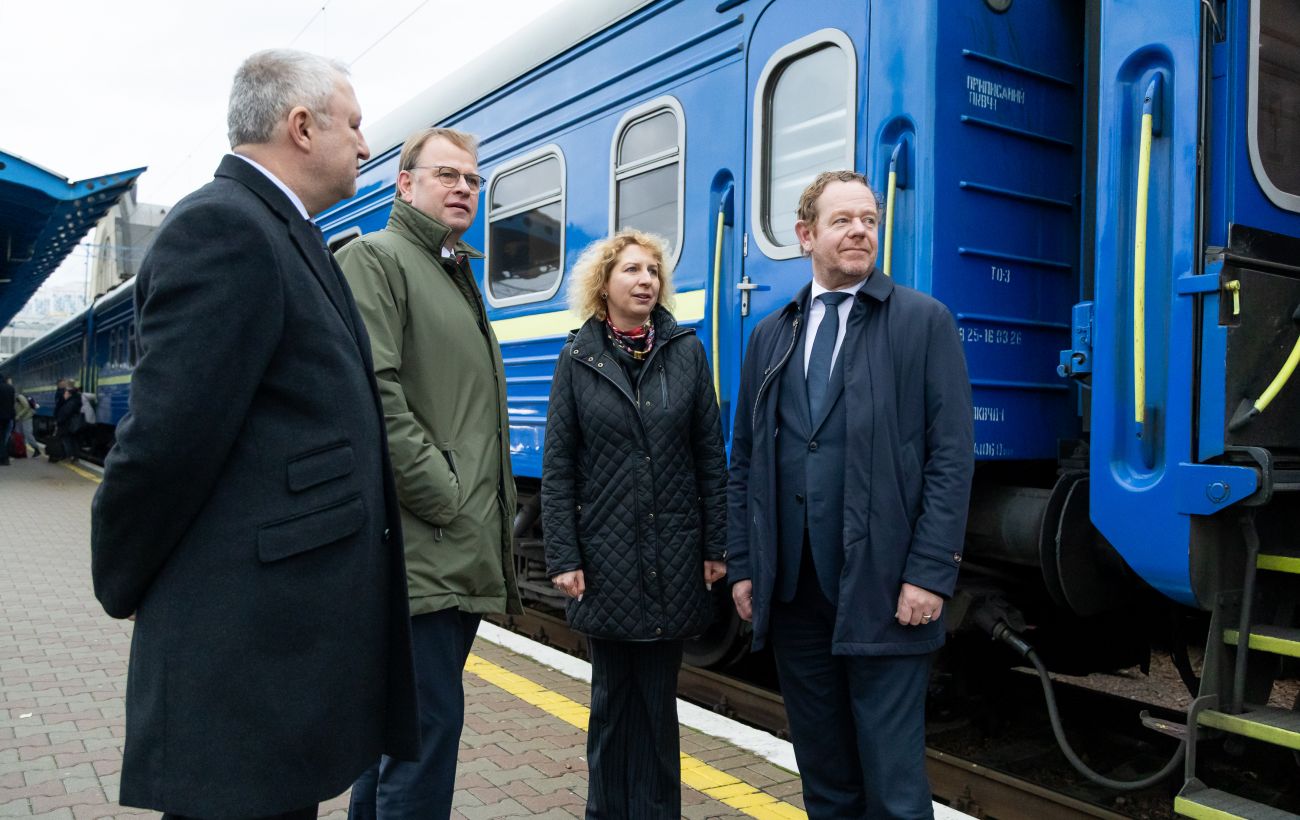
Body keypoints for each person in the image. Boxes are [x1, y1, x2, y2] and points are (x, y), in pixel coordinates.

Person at [90, 49, 418, 819]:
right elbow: (165, 443)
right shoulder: (225, 228)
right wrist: (125, 578)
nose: (366, 144)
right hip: (245, 656)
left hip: (279, 648)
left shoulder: (280, 230)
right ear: (301, 126)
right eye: (354, 124)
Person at [726, 170, 974, 819]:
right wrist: (745, 566)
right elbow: (745, 460)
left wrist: (930, 572)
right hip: (794, 592)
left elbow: (951, 458)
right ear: (806, 235)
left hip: (886, 589)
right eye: (842, 220)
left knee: (893, 787)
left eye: (868, 219)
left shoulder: (923, 323)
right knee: (826, 779)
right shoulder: (772, 334)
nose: (860, 230)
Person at [336, 126, 522, 819]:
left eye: (473, 180)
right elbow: (375, 392)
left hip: (448, 544)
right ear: (405, 184)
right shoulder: (379, 259)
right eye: (447, 175)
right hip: (423, 543)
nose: (464, 189)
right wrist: (442, 496)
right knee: (425, 733)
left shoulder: (450, 270)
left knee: (401, 735)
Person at [542, 229, 728, 818]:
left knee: (657, 705)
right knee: (610, 704)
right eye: (631, 270)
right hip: (606, 559)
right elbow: (558, 467)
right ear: (604, 284)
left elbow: (709, 456)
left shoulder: (687, 352)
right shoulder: (577, 359)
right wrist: (564, 556)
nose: (645, 280)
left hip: (673, 555)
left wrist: (717, 544)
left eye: (653, 271)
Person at [13, 384, 39, 457]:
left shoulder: (19, 397)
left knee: (27, 434)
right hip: (20, 419)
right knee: (19, 435)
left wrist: (19, 415)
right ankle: (22, 451)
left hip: (26, 418)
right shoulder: (13, 398)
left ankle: (36, 449)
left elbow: (26, 406)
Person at [0, 373, 14, 465]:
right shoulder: (10, 388)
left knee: (1, 438)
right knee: (5, 436)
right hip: (8, 417)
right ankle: (5, 458)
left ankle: (3, 458)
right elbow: (12, 403)